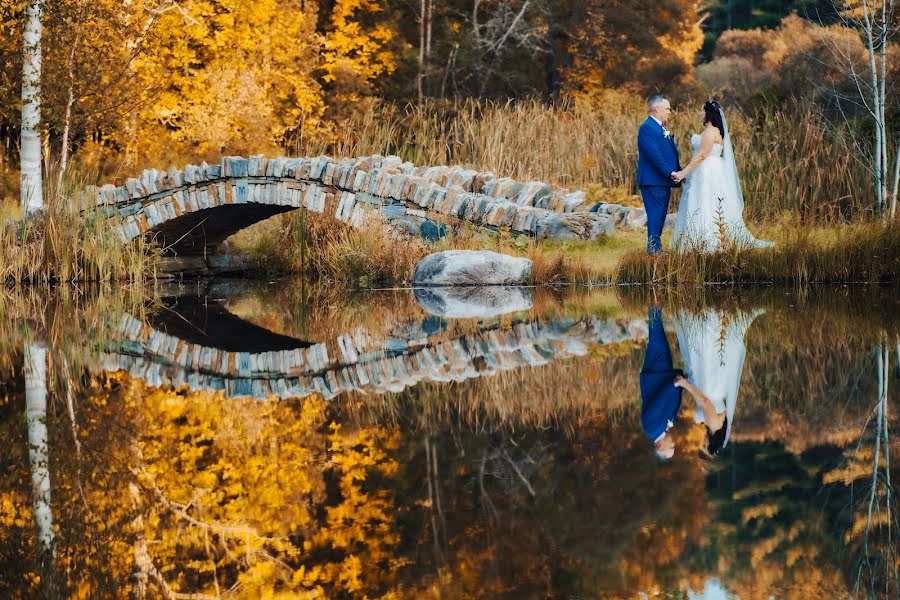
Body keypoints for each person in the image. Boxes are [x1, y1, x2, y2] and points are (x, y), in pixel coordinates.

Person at [670, 100, 773, 252]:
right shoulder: (714, 131)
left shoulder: (711, 132)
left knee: (704, 201)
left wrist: (682, 173)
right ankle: (698, 241)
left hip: (706, 172)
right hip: (708, 170)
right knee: (705, 202)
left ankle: (707, 241)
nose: (700, 113)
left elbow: (702, 155)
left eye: (702, 111)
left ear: (709, 114)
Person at [636, 95, 682, 255]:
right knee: (656, 213)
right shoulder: (647, 127)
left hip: (660, 180)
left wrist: (681, 171)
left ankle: (655, 248)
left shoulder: (660, 127)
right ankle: (654, 249)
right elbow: (654, 155)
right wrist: (670, 172)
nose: (670, 112)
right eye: (667, 108)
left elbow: (669, 151)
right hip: (653, 180)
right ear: (657, 109)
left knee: (661, 213)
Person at [639, 304, 684, 459]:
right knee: (658, 334)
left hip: (655, 374)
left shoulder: (650, 428)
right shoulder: (663, 428)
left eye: (670, 446)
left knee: (656, 334)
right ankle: (655, 302)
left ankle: (654, 298)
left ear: (660, 446)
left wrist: (673, 385)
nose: (673, 443)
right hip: (663, 374)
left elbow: (658, 402)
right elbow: (671, 406)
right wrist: (683, 385)